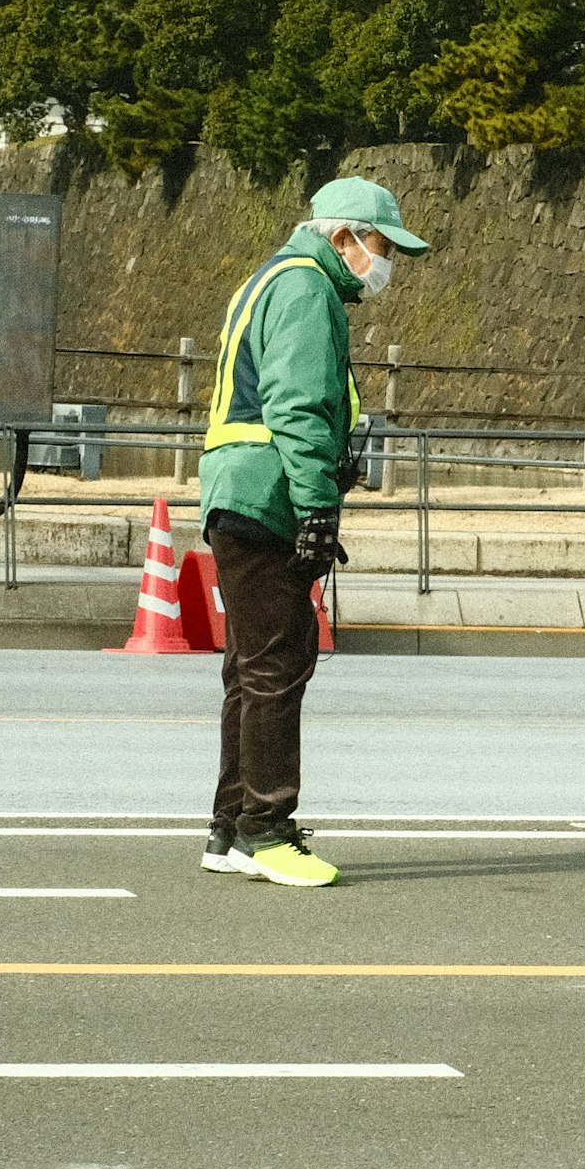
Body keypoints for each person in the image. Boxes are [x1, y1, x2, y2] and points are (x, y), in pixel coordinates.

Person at [194, 176, 428, 888]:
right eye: (380, 245)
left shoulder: (272, 277)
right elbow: (297, 407)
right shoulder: (305, 289)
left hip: (239, 490)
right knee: (277, 663)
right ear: (342, 236)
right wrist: (317, 505)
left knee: (251, 664)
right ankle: (265, 828)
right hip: (269, 495)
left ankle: (231, 826)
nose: (383, 261)